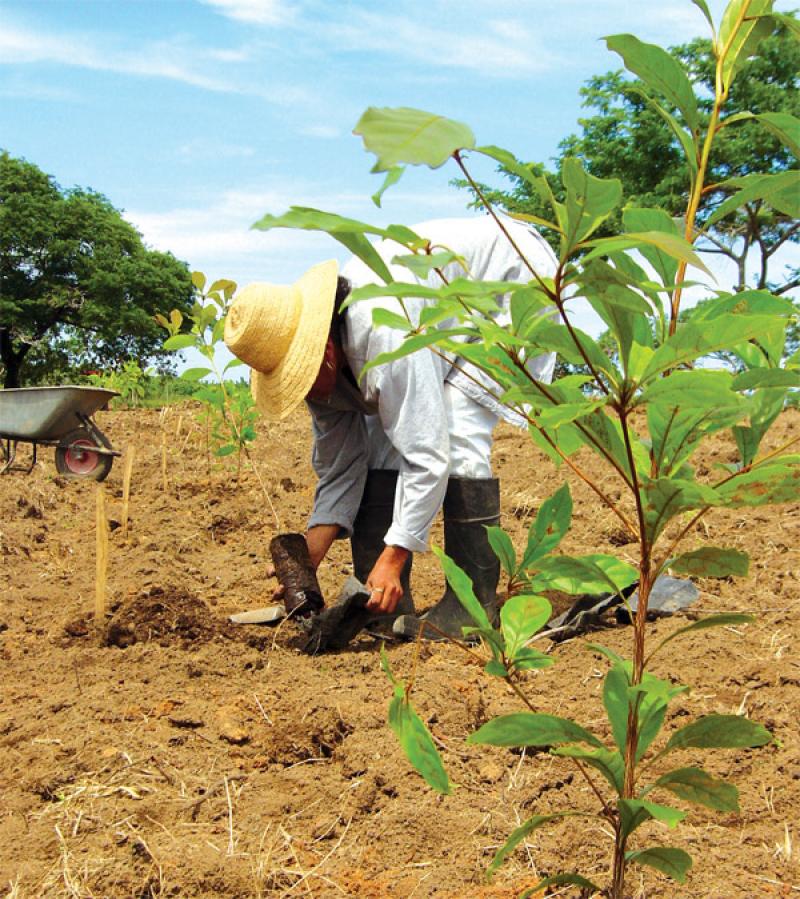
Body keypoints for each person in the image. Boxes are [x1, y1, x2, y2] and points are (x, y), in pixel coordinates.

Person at [224, 215, 557, 646]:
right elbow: (342, 471)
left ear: (325, 350)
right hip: (443, 311)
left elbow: (427, 454)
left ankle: (472, 608)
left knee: (457, 433)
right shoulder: (325, 381)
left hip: (510, 285)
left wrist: (394, 557)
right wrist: (306, 563)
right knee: (382, 447)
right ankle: (382, 602)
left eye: (299, 373)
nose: (303, 390)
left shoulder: (383, 334)